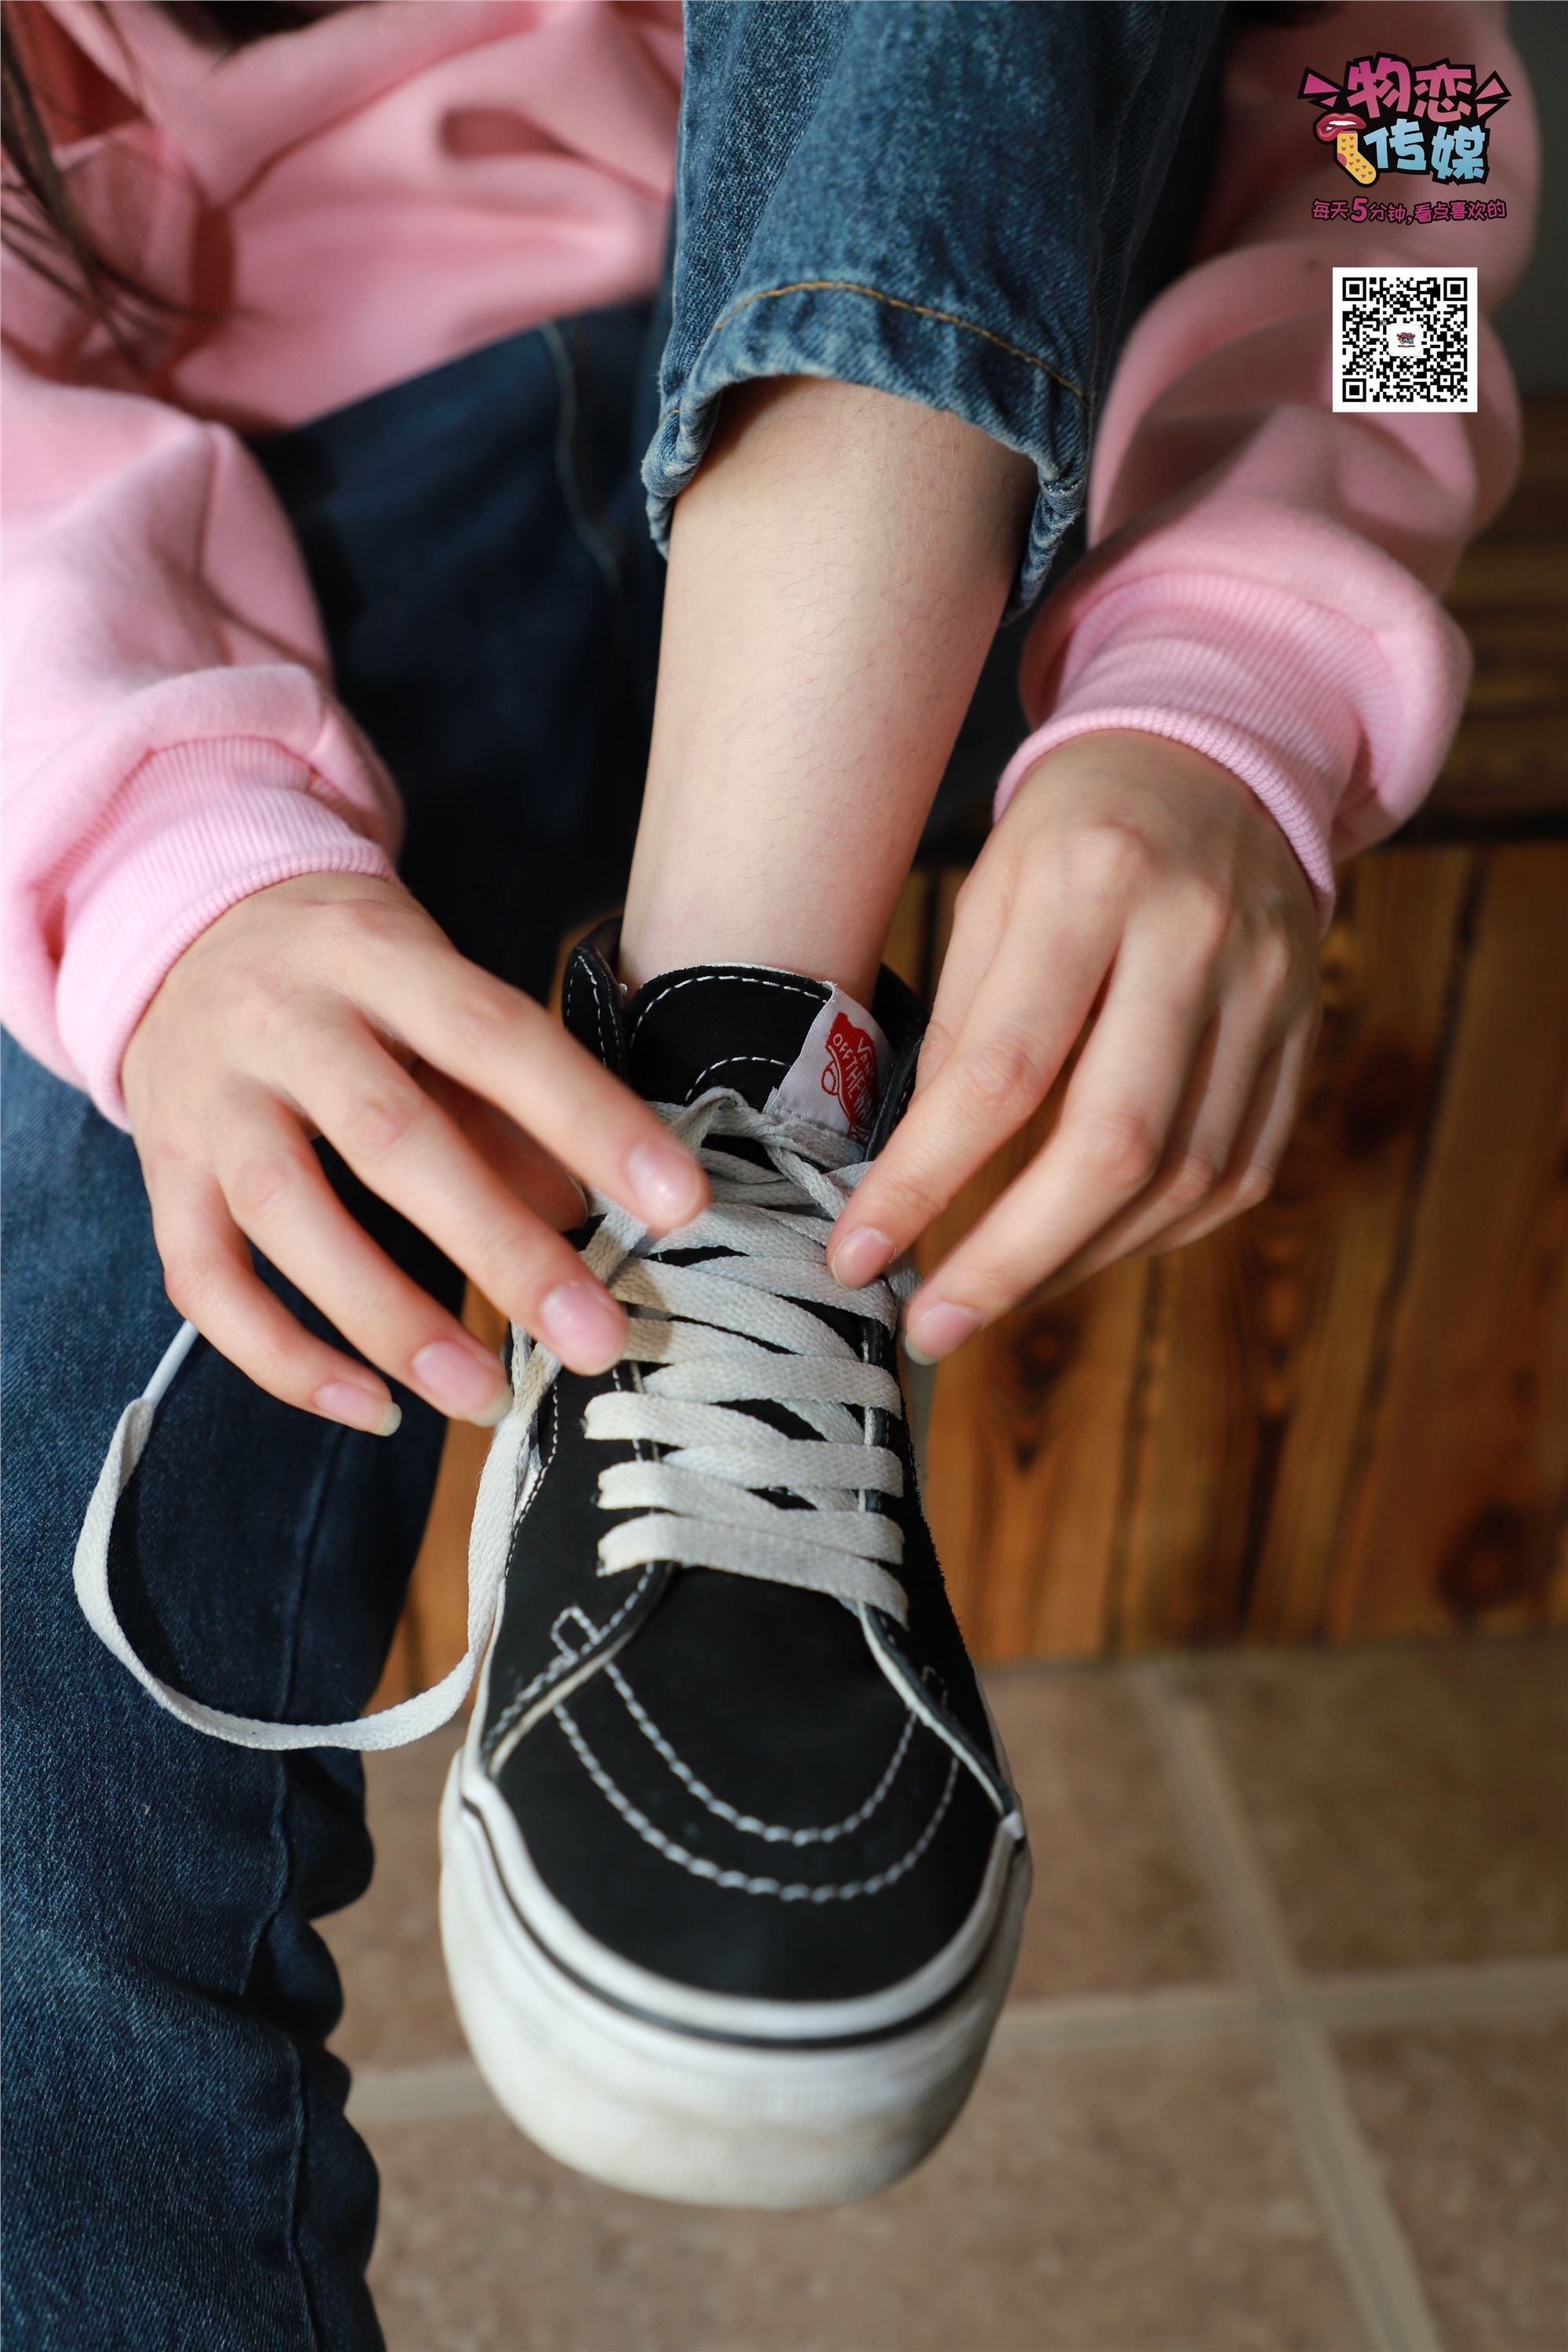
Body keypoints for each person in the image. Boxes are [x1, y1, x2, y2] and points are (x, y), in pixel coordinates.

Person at [1, 0, 1536, 2341]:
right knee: (34, 1774)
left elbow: (1409, 126)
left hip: (984, 448)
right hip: (233, 569)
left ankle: (733, 1132)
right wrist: (155, 851)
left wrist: (1248, 663)